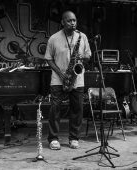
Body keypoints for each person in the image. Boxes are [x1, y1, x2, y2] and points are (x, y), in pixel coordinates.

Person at [44, 11, 91, 150]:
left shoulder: (82, 37)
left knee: (77, 110)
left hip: (77, 79)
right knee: (55, 110)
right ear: (62, 22)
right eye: (69, 20)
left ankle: (74, 138)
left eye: (74, 20)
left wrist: (83, 57)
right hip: (58, 79)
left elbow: (88, 55)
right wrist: (61, 73)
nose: (73, 23)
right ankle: (53, 138)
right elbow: (48, 58)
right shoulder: (54, 38)